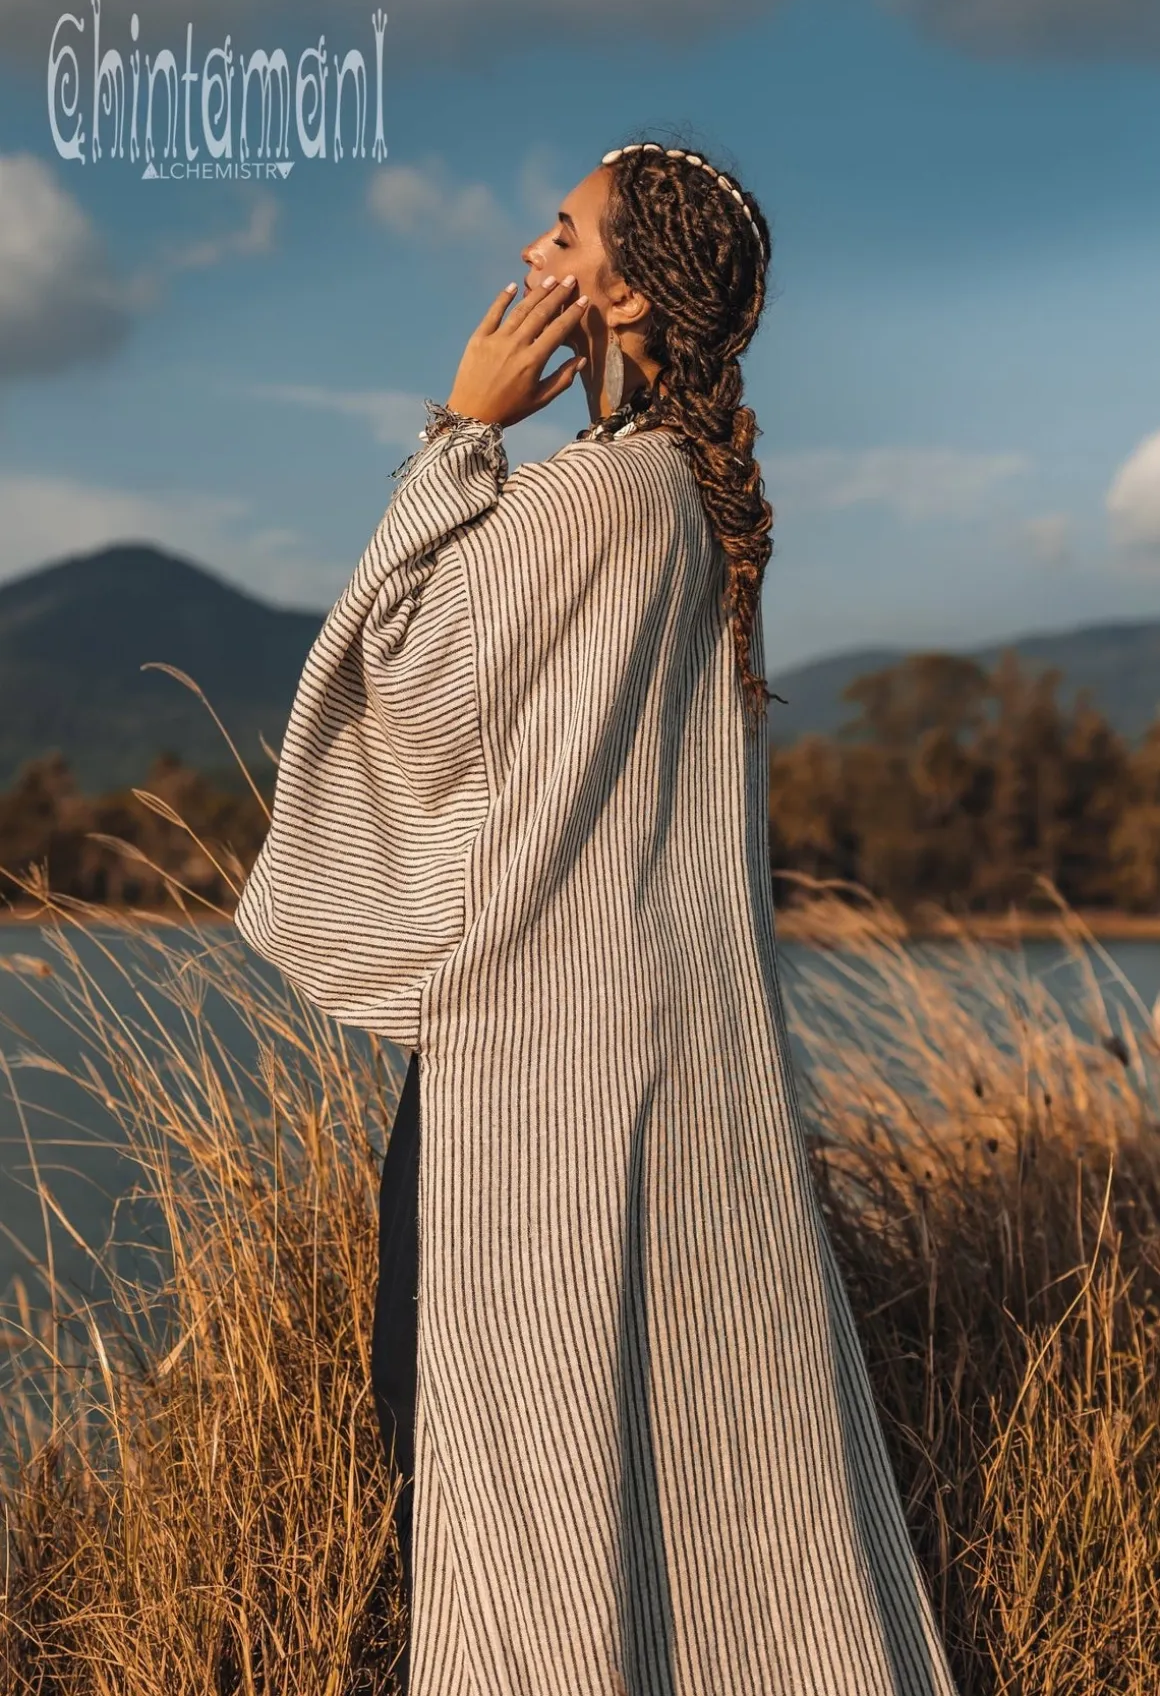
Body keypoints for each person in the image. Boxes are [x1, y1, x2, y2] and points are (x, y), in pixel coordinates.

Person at [234, 136, 961, 1696]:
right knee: (631, 1440)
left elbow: (403, 680)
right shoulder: (687, 493)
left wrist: (458, 431)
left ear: (627, 290)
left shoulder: (600, 497)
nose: (530, 250)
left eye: (563, 232)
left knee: (494, 1445)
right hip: (643, 1041)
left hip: (542, 1056)